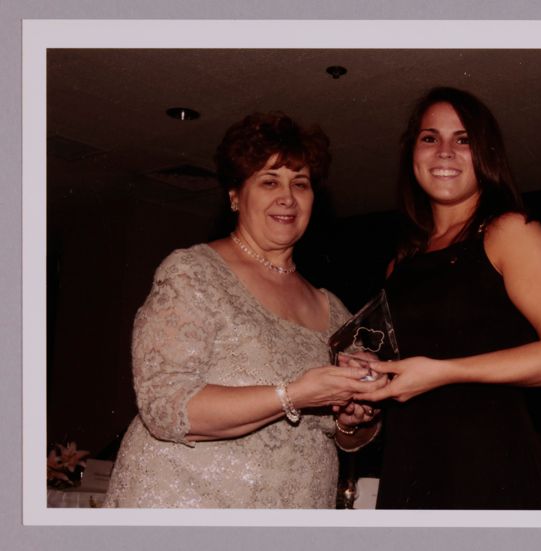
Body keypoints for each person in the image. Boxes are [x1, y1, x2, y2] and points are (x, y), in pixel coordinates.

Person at [104, 112, 385, 508]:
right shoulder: (194, 272)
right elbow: (166, 408)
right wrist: (294, 394)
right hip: (190, 503)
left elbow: (343, 435)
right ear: (235, 196)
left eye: (300, 184)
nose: (287, 197)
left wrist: (356, 417)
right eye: (269, 181)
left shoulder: (334, 309)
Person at [354, 87, 541, 509]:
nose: (445, 151)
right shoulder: (400, 264)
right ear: (413, 153)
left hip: (490, 469)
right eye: (430, 137)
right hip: (410, 468)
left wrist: (444, 372)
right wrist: (371, 374)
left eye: (462, 139)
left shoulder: (509, 232)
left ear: (486, 153)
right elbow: (408, 370)